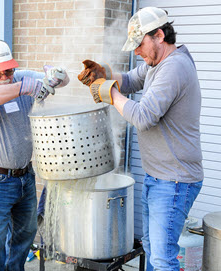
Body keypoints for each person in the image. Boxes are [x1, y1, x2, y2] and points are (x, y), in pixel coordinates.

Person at [78, 7, 203, 271]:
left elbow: (144, 116)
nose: (136, 51)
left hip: (174, 181)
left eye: (139, 44)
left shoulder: (174, 68)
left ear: (159, 35)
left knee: (161, 260)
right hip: (161, 178)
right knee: (153, 251)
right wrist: (105, 74)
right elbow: (132, 80)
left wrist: (109, 93)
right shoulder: (158, 64)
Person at [0, 39, 69, 271]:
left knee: (25, 236)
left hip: (25, 176)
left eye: (8, 71)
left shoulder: (21, 77)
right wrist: (25, 87)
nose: (4, 77)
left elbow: (62, 81)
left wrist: (57, 76)